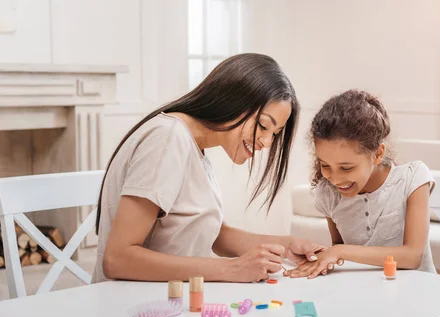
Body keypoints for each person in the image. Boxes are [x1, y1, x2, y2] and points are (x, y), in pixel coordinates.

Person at [93, 53, 324, 284]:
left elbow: (215, 237)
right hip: (135, 307)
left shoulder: (195, 148)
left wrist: (285, 247)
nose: (266, 142)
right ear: (234, 100)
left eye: (274, 134)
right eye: (263, 126)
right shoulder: (168, 138)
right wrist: (231, 269)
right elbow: (118, 259)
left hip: (175, 300)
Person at [287, 90, 434, 317]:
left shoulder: (412, 179)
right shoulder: (326, 194)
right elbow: (344, 262)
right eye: (325, 166)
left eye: (346, 167)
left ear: (377, 154)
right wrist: (322, 260)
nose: (334, 178)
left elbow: (411, 256)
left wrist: (338, 251)